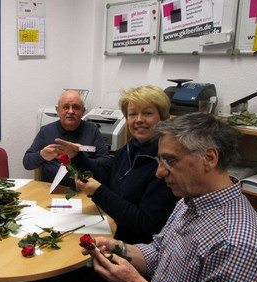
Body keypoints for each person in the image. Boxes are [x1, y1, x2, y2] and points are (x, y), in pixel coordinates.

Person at [57, 113, 257, 282]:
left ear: (209, 158)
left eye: (170, 161)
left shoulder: (237, 243)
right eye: (159, 160)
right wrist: (121, 248)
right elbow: (160, 252)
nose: (159, 173)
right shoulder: (189, 201)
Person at [58, 85, 179, 245]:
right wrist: (77, 157)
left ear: (162, 118)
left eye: (147, 113)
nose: (139, 120)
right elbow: (105, 176)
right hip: (111, 230)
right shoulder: (130, 148)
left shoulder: (164, 164)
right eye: (133, 114)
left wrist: (98, 192)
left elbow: (145, 223)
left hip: (135, 248)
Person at [23, 90, 108, 189]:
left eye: (76, 107)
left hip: (84, 190)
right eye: (66, 107)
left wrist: (79, 156)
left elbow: (105, 163)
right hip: (52, 190)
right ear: (57, 110)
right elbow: (27, 163)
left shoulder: (92, 131)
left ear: (83, 111)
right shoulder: (46, 131)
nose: (71, 111)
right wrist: (41, 155)